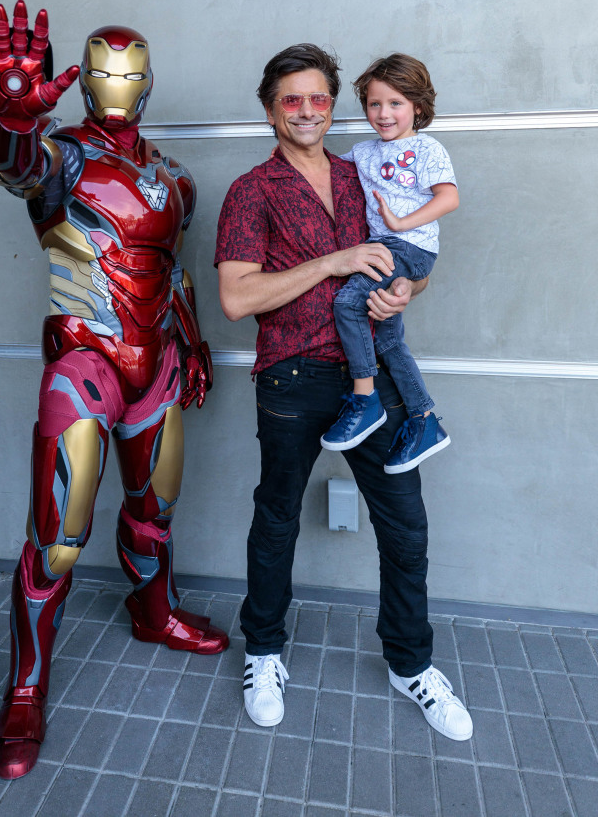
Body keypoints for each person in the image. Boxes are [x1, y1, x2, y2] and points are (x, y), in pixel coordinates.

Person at [0, 0, 228, 780]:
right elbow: (19, 173)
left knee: (154, 512)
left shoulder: (175, 176)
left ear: (148, 83)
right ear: (82, 80)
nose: (117, 82)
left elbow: (173, 271)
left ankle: (152, 612)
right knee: (57, 537)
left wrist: (191, 344)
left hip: (153, 364)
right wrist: (16, 121)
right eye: (103, 70)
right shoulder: (63, 158)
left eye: (130, 72)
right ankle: (25, 688)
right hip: (84, 364)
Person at [214, 43, 472, 741]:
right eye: (291, 99)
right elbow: (236, 298)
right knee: (277, 518)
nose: (306, 110)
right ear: (271, 109)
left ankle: (410, 663)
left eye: (318, 98)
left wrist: (400, 292)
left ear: (334, 106)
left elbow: (415, 263)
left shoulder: (368, 169)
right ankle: (263, 652)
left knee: (406, 522)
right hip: (293, 374)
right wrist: (333, 261)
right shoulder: (251, 190)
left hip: (374, 379)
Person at [320, 54, 459, 474]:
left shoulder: (426, 148)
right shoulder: (363, 152)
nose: (384, 114)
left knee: (347, 304)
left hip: (409, 248)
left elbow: (448, 197)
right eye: (375, 104)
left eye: (396, 103)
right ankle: (424, 420)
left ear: (417, 105)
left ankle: (365, 401)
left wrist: (400, 223)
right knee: (387, 339)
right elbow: (324, 167)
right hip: (385, 246)